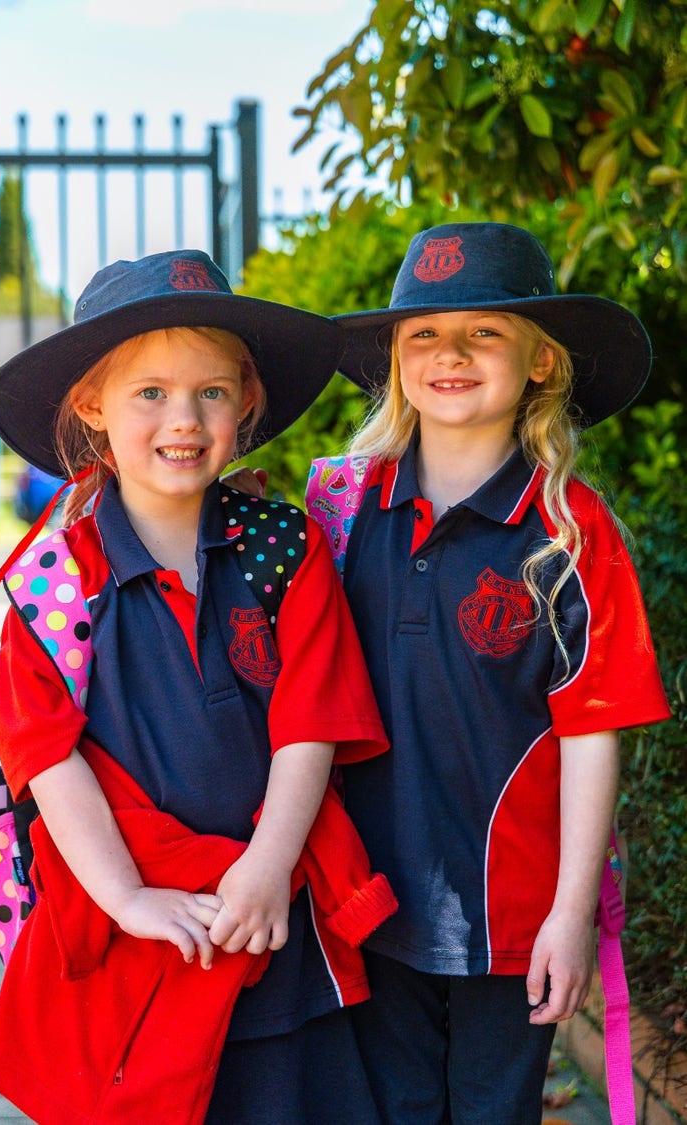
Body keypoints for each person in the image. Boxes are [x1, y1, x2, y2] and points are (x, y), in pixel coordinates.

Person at [241, 222, 672, 1124]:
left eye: (485, 333)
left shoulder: (570, 533)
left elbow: (591, 736)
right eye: (424, 335)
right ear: (396, 359)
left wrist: (570, 911)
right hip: (366, 897)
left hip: (513, 920)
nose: (451, 355)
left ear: (542, 362)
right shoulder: (339, 506)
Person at [0, 249, 397, 1125]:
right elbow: (46, 757)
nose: (185, 418)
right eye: (150, 392)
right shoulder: (54, 577)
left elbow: (310, 723)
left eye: (211, 391)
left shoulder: (284, 548)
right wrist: (127, 896)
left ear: (245, 401)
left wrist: (267, 868)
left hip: (268, 919)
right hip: (135, 931)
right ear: (91, 404)